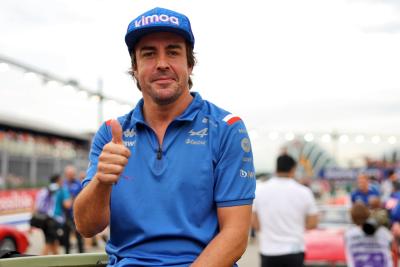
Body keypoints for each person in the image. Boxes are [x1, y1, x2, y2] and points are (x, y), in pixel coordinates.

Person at [74, 7, 256, 267]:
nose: (161, 63)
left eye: (173, 51)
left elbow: (235, 236)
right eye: (148, 54)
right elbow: (86, 227)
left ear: (189, 64)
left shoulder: (227, 128)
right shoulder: (111, 132)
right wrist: (102, 181)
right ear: (135, 68)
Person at [252, 154, 318, 267]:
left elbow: (254, 223)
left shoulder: (259, 190)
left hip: (269, 251)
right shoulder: (304, 192)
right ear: (293, 169)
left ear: (276, 168)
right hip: (294, 250)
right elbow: (312, 223)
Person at [344, 202, 396, 267]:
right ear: (368, 214)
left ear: (352, 218)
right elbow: (393, 251)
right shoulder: (383, 232)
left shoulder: (349, 234)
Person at [33, 174, 71, 255]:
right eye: (61, 180)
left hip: (43, 219)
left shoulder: (45, 189)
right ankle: (40, 263)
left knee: (54, 242)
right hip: (54, 220)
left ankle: (58, 261)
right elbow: (67, 205)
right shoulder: (61, 189)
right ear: (58, 180)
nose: (63, 181)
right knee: (49, 243)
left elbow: (36, 206)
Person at [62, 165, 84, 253]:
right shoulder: (63, 184)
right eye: (69, 173)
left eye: (72, 173)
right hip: (65, 215)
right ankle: (66, 255)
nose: (70, 175)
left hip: (76, 214)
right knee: (66, 236)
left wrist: (73, 200)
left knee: (79, 236)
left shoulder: (78, 183)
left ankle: (81, 254)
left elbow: (83, 196)